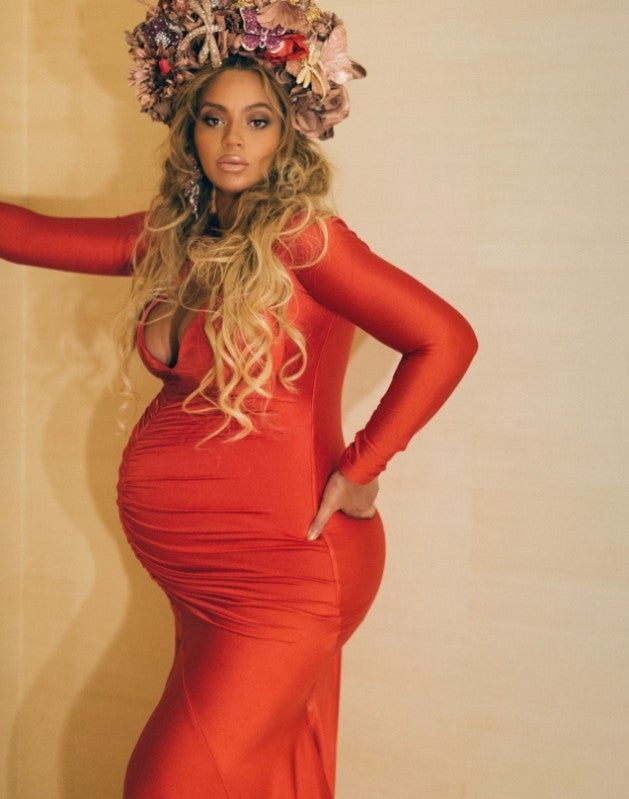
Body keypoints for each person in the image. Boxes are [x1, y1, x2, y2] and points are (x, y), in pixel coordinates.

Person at [0, 2, 478, 797]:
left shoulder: (304, 239)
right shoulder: (173, 238)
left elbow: (445, 338)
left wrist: (362, 466)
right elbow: (21, 234)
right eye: (214, 119)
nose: (233, 140)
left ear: (285, 134)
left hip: (285, 576)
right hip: (202, 585)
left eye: (257, 121)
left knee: (168, 783)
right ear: (188, 129)